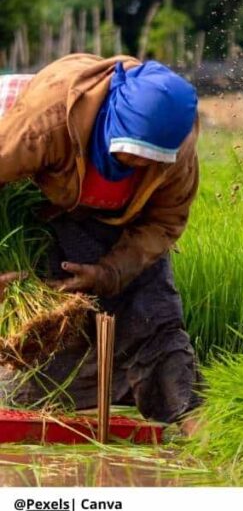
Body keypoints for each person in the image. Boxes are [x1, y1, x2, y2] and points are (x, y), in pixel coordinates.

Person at [0, 53, 202, 423]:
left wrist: (108, 273)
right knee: (49, 341)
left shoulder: (177, 154)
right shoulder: (44, 123)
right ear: (111, 121)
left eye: (149, 160)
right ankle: (51, 394)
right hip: (39, 196)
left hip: (116, 221)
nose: (137, 165)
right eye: (127, 154)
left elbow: (163, 224)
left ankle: (182, 414)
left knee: (154, 316)